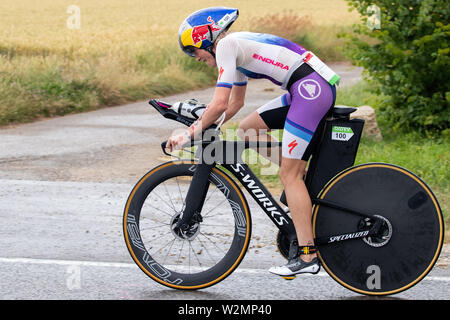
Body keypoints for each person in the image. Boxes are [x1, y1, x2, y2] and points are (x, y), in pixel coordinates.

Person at [166, 7, 338, 277]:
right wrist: (210, 126)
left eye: (192, 50)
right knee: (248, 130)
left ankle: (308, 256)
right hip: (306, 87)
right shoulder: (234, 47)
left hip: (309, 90)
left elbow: (219, 102)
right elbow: (235, 104)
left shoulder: (226, 46)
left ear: (203, 38)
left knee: (287, 175)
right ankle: (299, 176)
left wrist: (188, 134)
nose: (195, 58)